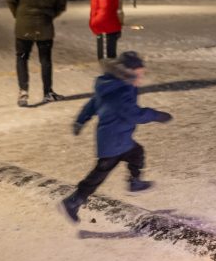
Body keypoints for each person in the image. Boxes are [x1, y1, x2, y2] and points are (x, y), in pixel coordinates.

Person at [59, 51, 173, 223]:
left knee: (136, 152)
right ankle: (73, 201)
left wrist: (81, 121)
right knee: (99, 174)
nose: (141, 78)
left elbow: (92, 105)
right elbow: (133, 114)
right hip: (113, 141)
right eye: (139, 74)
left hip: (119, 138)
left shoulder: (111, 84)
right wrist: (157, 115)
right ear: (128, 72)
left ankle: (135, 181)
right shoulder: (121, 91)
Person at [8, 0, 67, 107]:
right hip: (45, 25)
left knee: (22, 57)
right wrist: (49, 15)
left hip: (23, 25)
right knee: (45, 60)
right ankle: (48, 92)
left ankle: (23, 91)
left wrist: (19, 15)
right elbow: (61, 5)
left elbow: (11, 0)